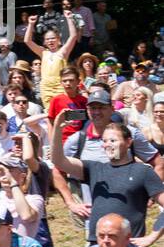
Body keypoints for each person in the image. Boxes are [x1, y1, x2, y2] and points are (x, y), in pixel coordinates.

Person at [52, 102, 164, 239]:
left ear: (129, 142)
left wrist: (152, 237)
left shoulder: (142, 172)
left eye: (113, 140)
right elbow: (59, 161)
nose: (108, 145)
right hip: (96, 246)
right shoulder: (94, 169)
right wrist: (57, 128)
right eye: (105, 141)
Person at [23, 10, 81, 109]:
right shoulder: (43, 52)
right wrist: (31, 24)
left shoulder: (63, 52)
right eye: (47, 39)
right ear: (44, 42)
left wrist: (69, 18)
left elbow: (73, 36)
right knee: (50, 114)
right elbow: (27, 40)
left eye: (53, 38)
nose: (50, 41)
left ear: (59, 40)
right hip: (46, 88)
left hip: (61, 87)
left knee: (65, 112)